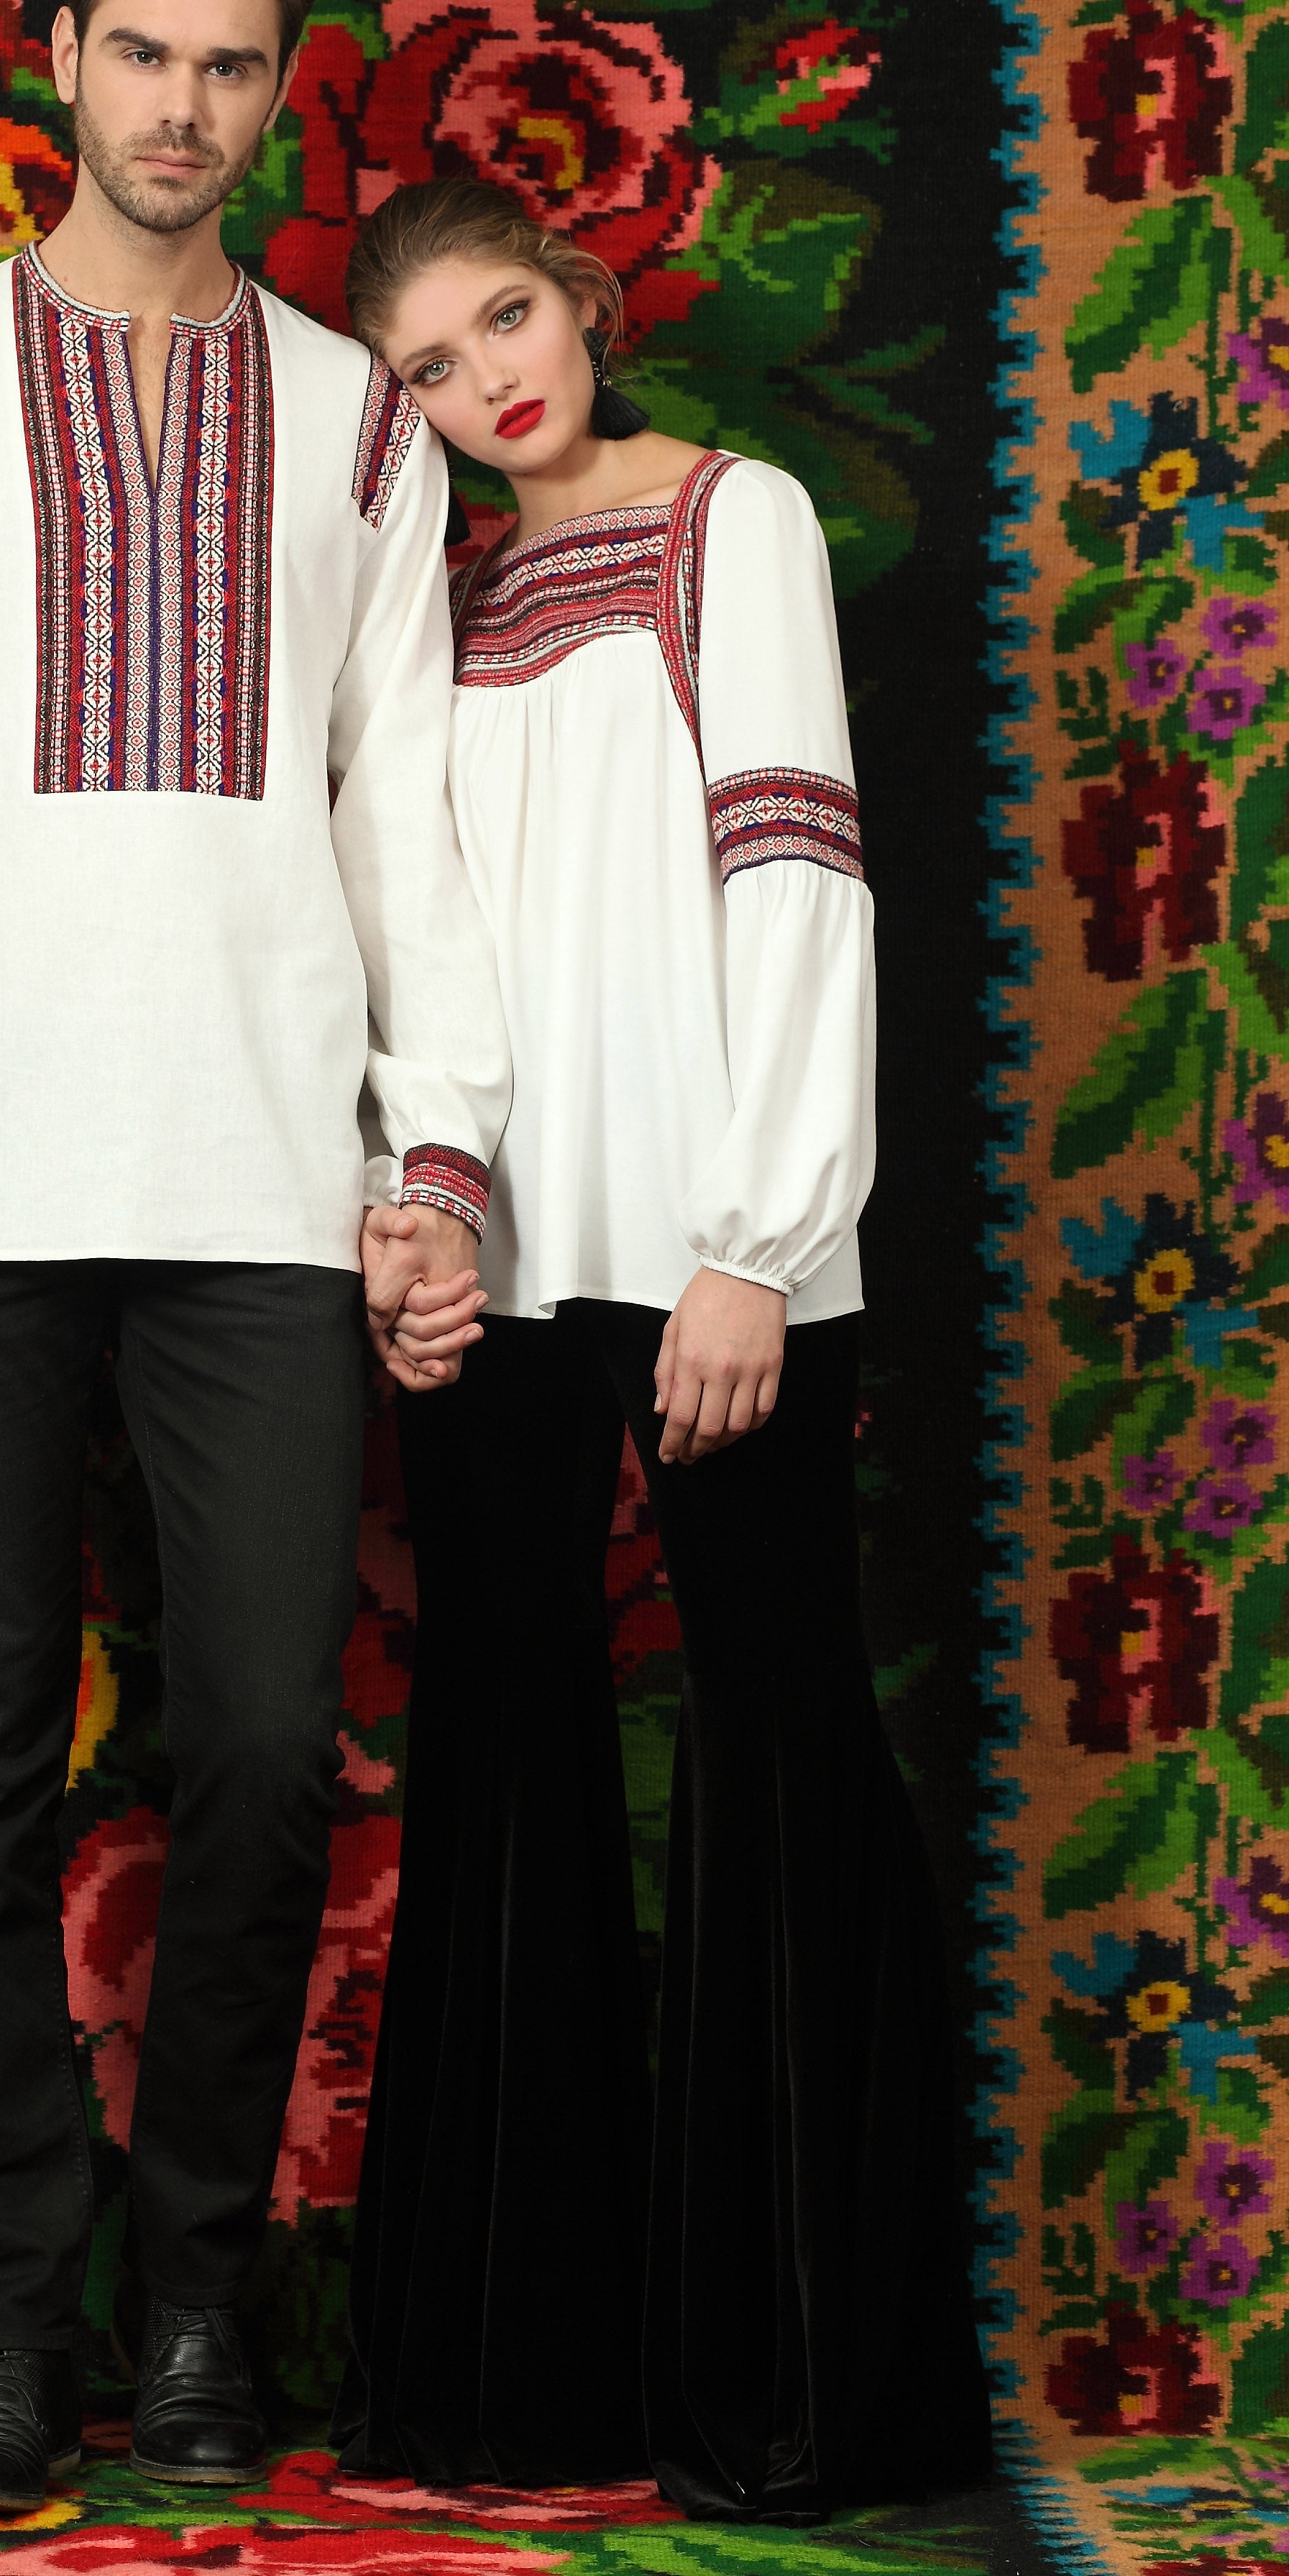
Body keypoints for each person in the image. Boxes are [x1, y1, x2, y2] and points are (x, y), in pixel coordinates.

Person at [0, 0, 508, 2518]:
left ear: (284, 90)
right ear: (62, 55)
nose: (185, 108)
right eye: (144, 54)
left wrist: (433, 1154)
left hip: (261, 1175)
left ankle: (191, 2310)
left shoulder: (358, 423)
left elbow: (406, 820)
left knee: (264, 1742)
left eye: (234, 66)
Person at [333, 178, 993, 2521]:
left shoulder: (739, 519)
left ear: (584, 299)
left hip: (717, 1239)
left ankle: (808, 2394)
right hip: (499, 1254)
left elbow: (796, 874)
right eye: (427, 367)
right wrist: (416, 1206)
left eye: (506, 317)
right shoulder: (435, 598)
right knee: (501, 1751)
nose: (488, 380)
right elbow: (408, 942)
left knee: (778, 1727)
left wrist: (758, 1242)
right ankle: (514, 2396)